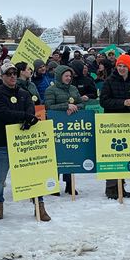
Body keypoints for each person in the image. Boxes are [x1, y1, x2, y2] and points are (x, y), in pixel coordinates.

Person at [0, 62, 49, 221]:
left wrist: (29, 120)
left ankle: (39, 205)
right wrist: (24, 116)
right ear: (2, 76)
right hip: (3, 141)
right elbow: (2, 113)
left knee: (33, 174)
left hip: (24, 141)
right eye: (9, 74)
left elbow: (30, 109)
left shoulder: (24, 93)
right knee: (0, 177)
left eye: (14, 73)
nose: (13, 76)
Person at [100, 54, 130, 199]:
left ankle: (121, 185)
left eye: (124, 66)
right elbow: (104, 102)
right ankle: (111, 187)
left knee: (125, 154)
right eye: (119, 66)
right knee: (112, 154)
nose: (122, 68)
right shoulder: (109, 81)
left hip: (128, 123)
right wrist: (122, 103)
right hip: (112, 122)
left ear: (129, 68)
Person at [44, 65, 85, 197]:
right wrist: (65, 106)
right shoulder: (51, 90)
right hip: (56, 128)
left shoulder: (73, 89)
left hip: (71, 128)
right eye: (66, 76)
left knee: (70, 154)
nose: (68, 78)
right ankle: (54, 185)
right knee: (57, 155)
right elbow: (49, 106)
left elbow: (81, 103)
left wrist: (74, 107)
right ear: (59, 76)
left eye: (70, 76)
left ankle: (69, 184)